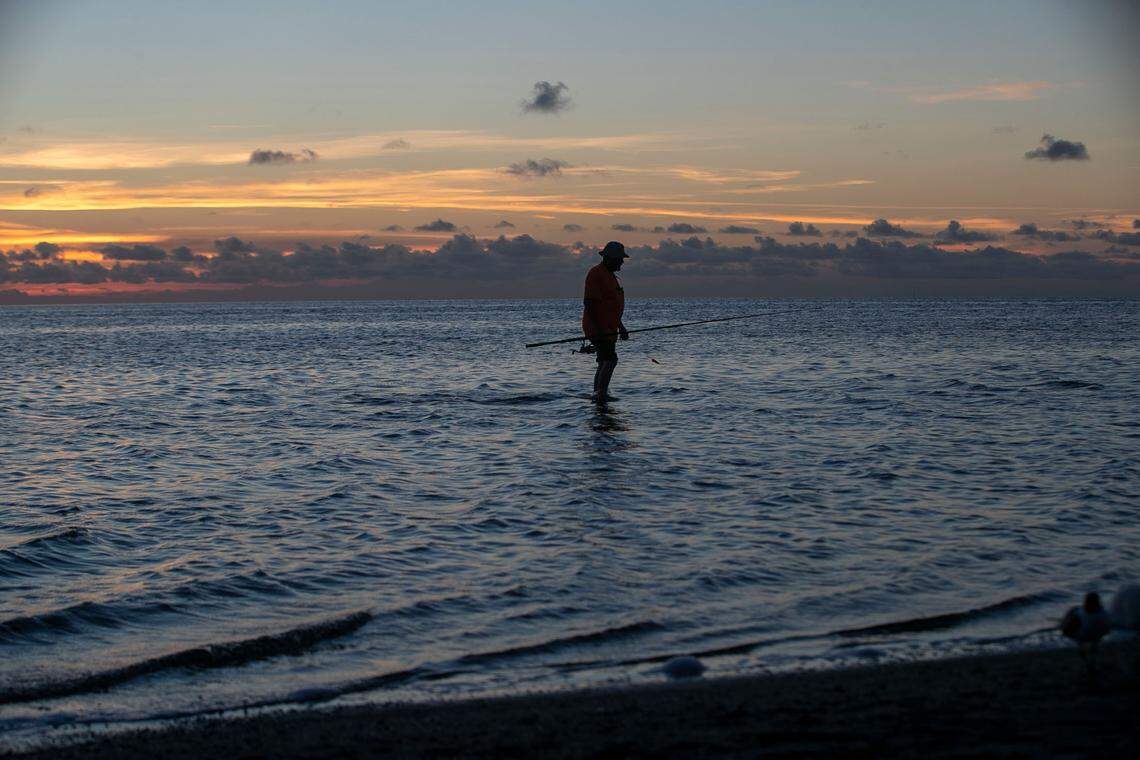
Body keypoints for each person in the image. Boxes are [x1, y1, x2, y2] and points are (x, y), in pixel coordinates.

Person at [582, 241, 629, 402]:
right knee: (610, 360)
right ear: (610, 258)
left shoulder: (611, 277)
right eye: (619, 259)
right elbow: (589, 303)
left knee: (604, 360)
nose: (622, 262)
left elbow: (612, 307)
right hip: (599, 329)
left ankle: (598, 393)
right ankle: (601, 394)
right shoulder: (596, 274)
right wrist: (598, 329)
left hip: (609, 329)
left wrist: (621, 327)